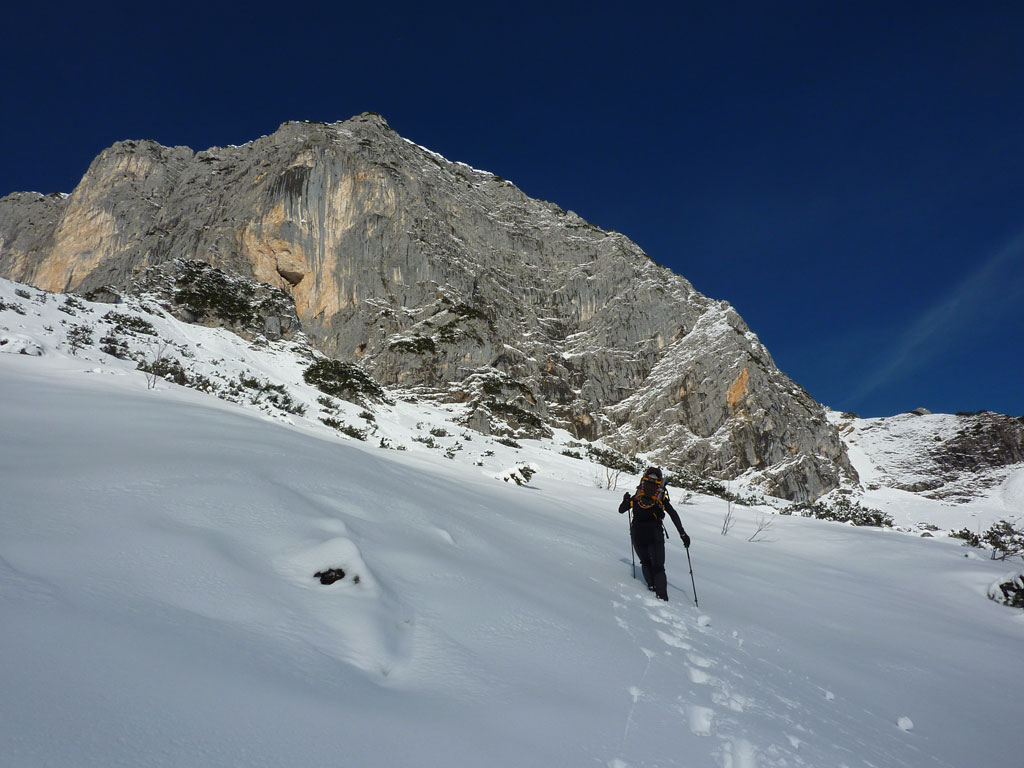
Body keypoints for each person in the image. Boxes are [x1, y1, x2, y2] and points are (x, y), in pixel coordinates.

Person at [618, 466, 690, 601]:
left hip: (637, 533)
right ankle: (662, 597)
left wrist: (625, 500)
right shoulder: (660, 497)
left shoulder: (638, 495)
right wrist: (683, 534)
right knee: (658, 567)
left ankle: (651, 588)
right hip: (654, 534)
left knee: (645, 562)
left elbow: (621, 510)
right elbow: (673, 514)